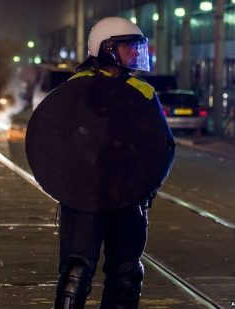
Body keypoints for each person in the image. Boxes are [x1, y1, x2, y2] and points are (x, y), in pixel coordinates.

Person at [53, 17, 175, 308]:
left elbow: (164, 146)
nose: (135, 53)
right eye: (128, 47)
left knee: (127, 273)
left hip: (128, 198)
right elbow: (58, 143)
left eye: (137, 47)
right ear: (107, 48)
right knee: (77, 271)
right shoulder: (77, 89)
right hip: (85, 198)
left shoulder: (142, 91)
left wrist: (148, 188)